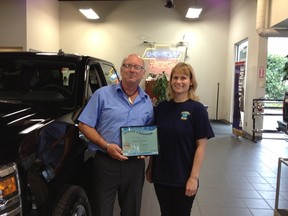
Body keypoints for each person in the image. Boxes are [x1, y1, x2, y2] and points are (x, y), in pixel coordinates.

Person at [77, 54, 154, 216]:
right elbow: (84, 124)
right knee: (101, 208)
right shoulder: (102, 95)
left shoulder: (147, 101)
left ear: (143, 73)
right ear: (121, 70)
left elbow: (148, 130)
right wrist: (106, 145)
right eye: (128, 65)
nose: (132, 70)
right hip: (106, 162)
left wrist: (146, 148)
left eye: (137, 67)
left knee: (131, 210)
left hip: (134, 165)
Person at [146, 62, 214, 216]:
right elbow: (156, 141)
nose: (178, 81)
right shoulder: (162, 108)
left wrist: (193, 178)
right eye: (175, 77)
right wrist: (151, 168)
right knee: (165, 213)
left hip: (183, 177)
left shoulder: (197, 110)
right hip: (161, 175)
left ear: (191, 82)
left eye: (183, 78)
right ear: (170, 81)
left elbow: (201, 147)